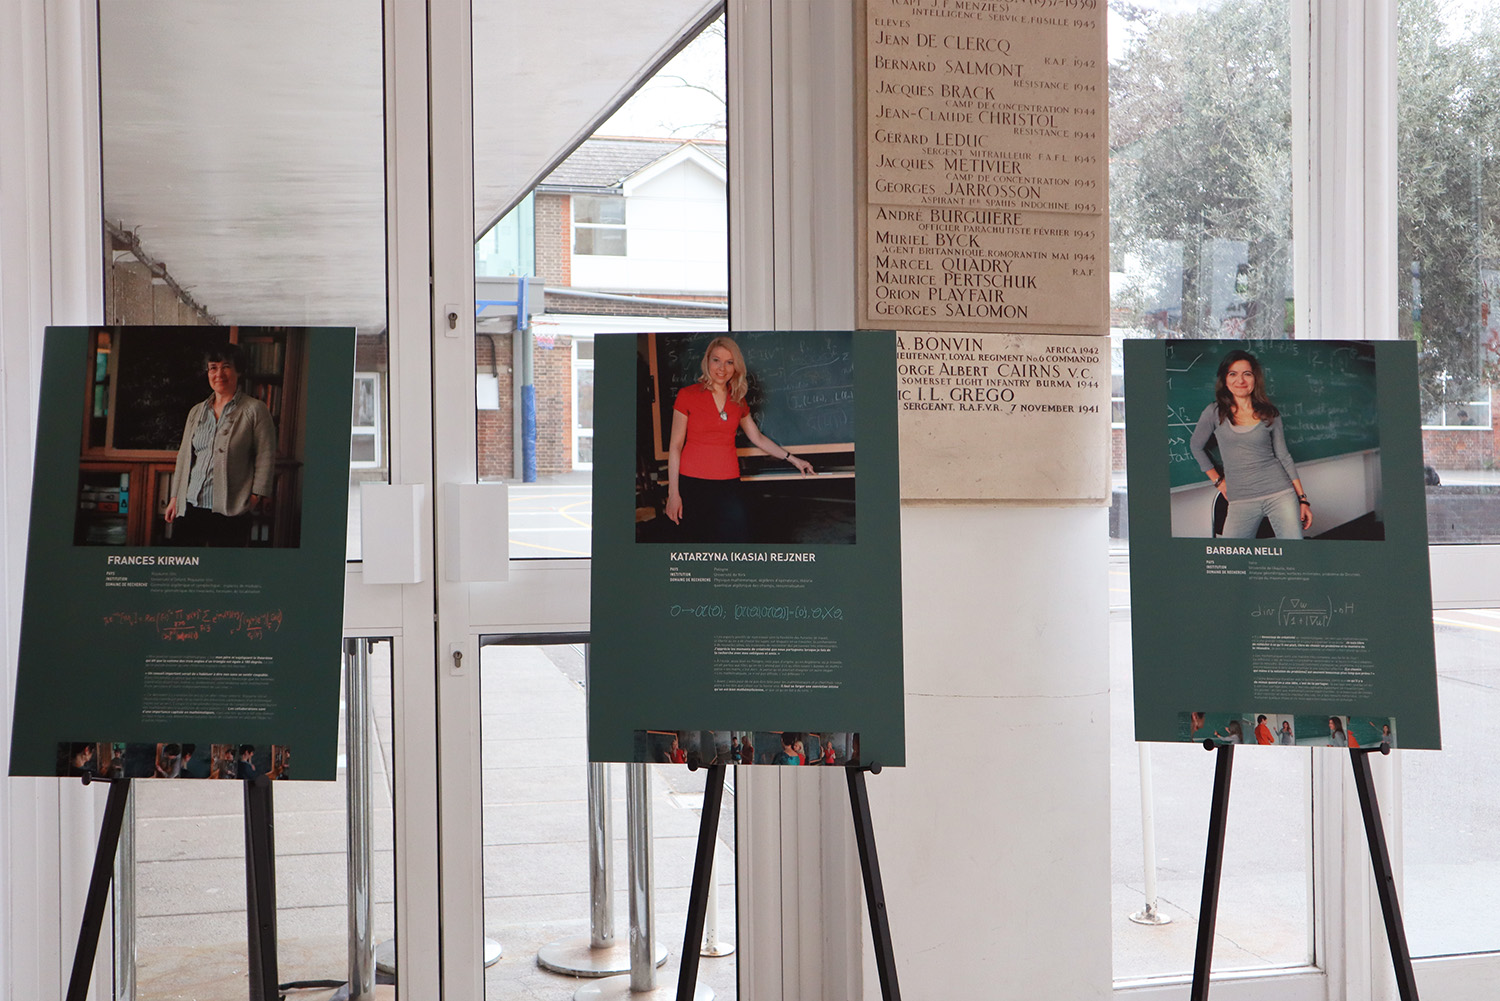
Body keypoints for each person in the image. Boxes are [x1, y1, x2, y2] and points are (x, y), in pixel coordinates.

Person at [665, 336, 816, 542]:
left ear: (736, 367)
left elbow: (758, 438)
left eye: (729, 362)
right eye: (716, 360)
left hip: (728, 483)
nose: (722, 368)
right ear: (707, 361)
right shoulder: (687, 395)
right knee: (697, 545)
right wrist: (673, 493)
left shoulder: (738, 400)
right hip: (692, 484)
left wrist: (794, 459)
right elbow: (675, 446)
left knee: (736, 540)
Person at [1189, 349, 1312, 539]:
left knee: (1292, 551)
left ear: (1255, 379)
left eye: (1247, 374)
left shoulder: (1270, 413)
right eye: (1233, 374)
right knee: (1233, 555)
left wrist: (1303, 500)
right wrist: (1218, 481)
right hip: (1240, 500)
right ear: (1225, 379)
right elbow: (1196, 446)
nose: (1240, 380)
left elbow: (1284, 456)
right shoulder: (1214, 412)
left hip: (1280, 493)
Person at [165, 344, 275, 547]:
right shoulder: (196, 411)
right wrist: (175, 498)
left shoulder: (255, 410)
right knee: (186, 564)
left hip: (231, 509)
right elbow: (184, 457)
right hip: (190, 506)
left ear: (238, 370)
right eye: (213, 368)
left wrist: (255, 496)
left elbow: (265, 456)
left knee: (224, 565)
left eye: (226, 367)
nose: (219, 374)